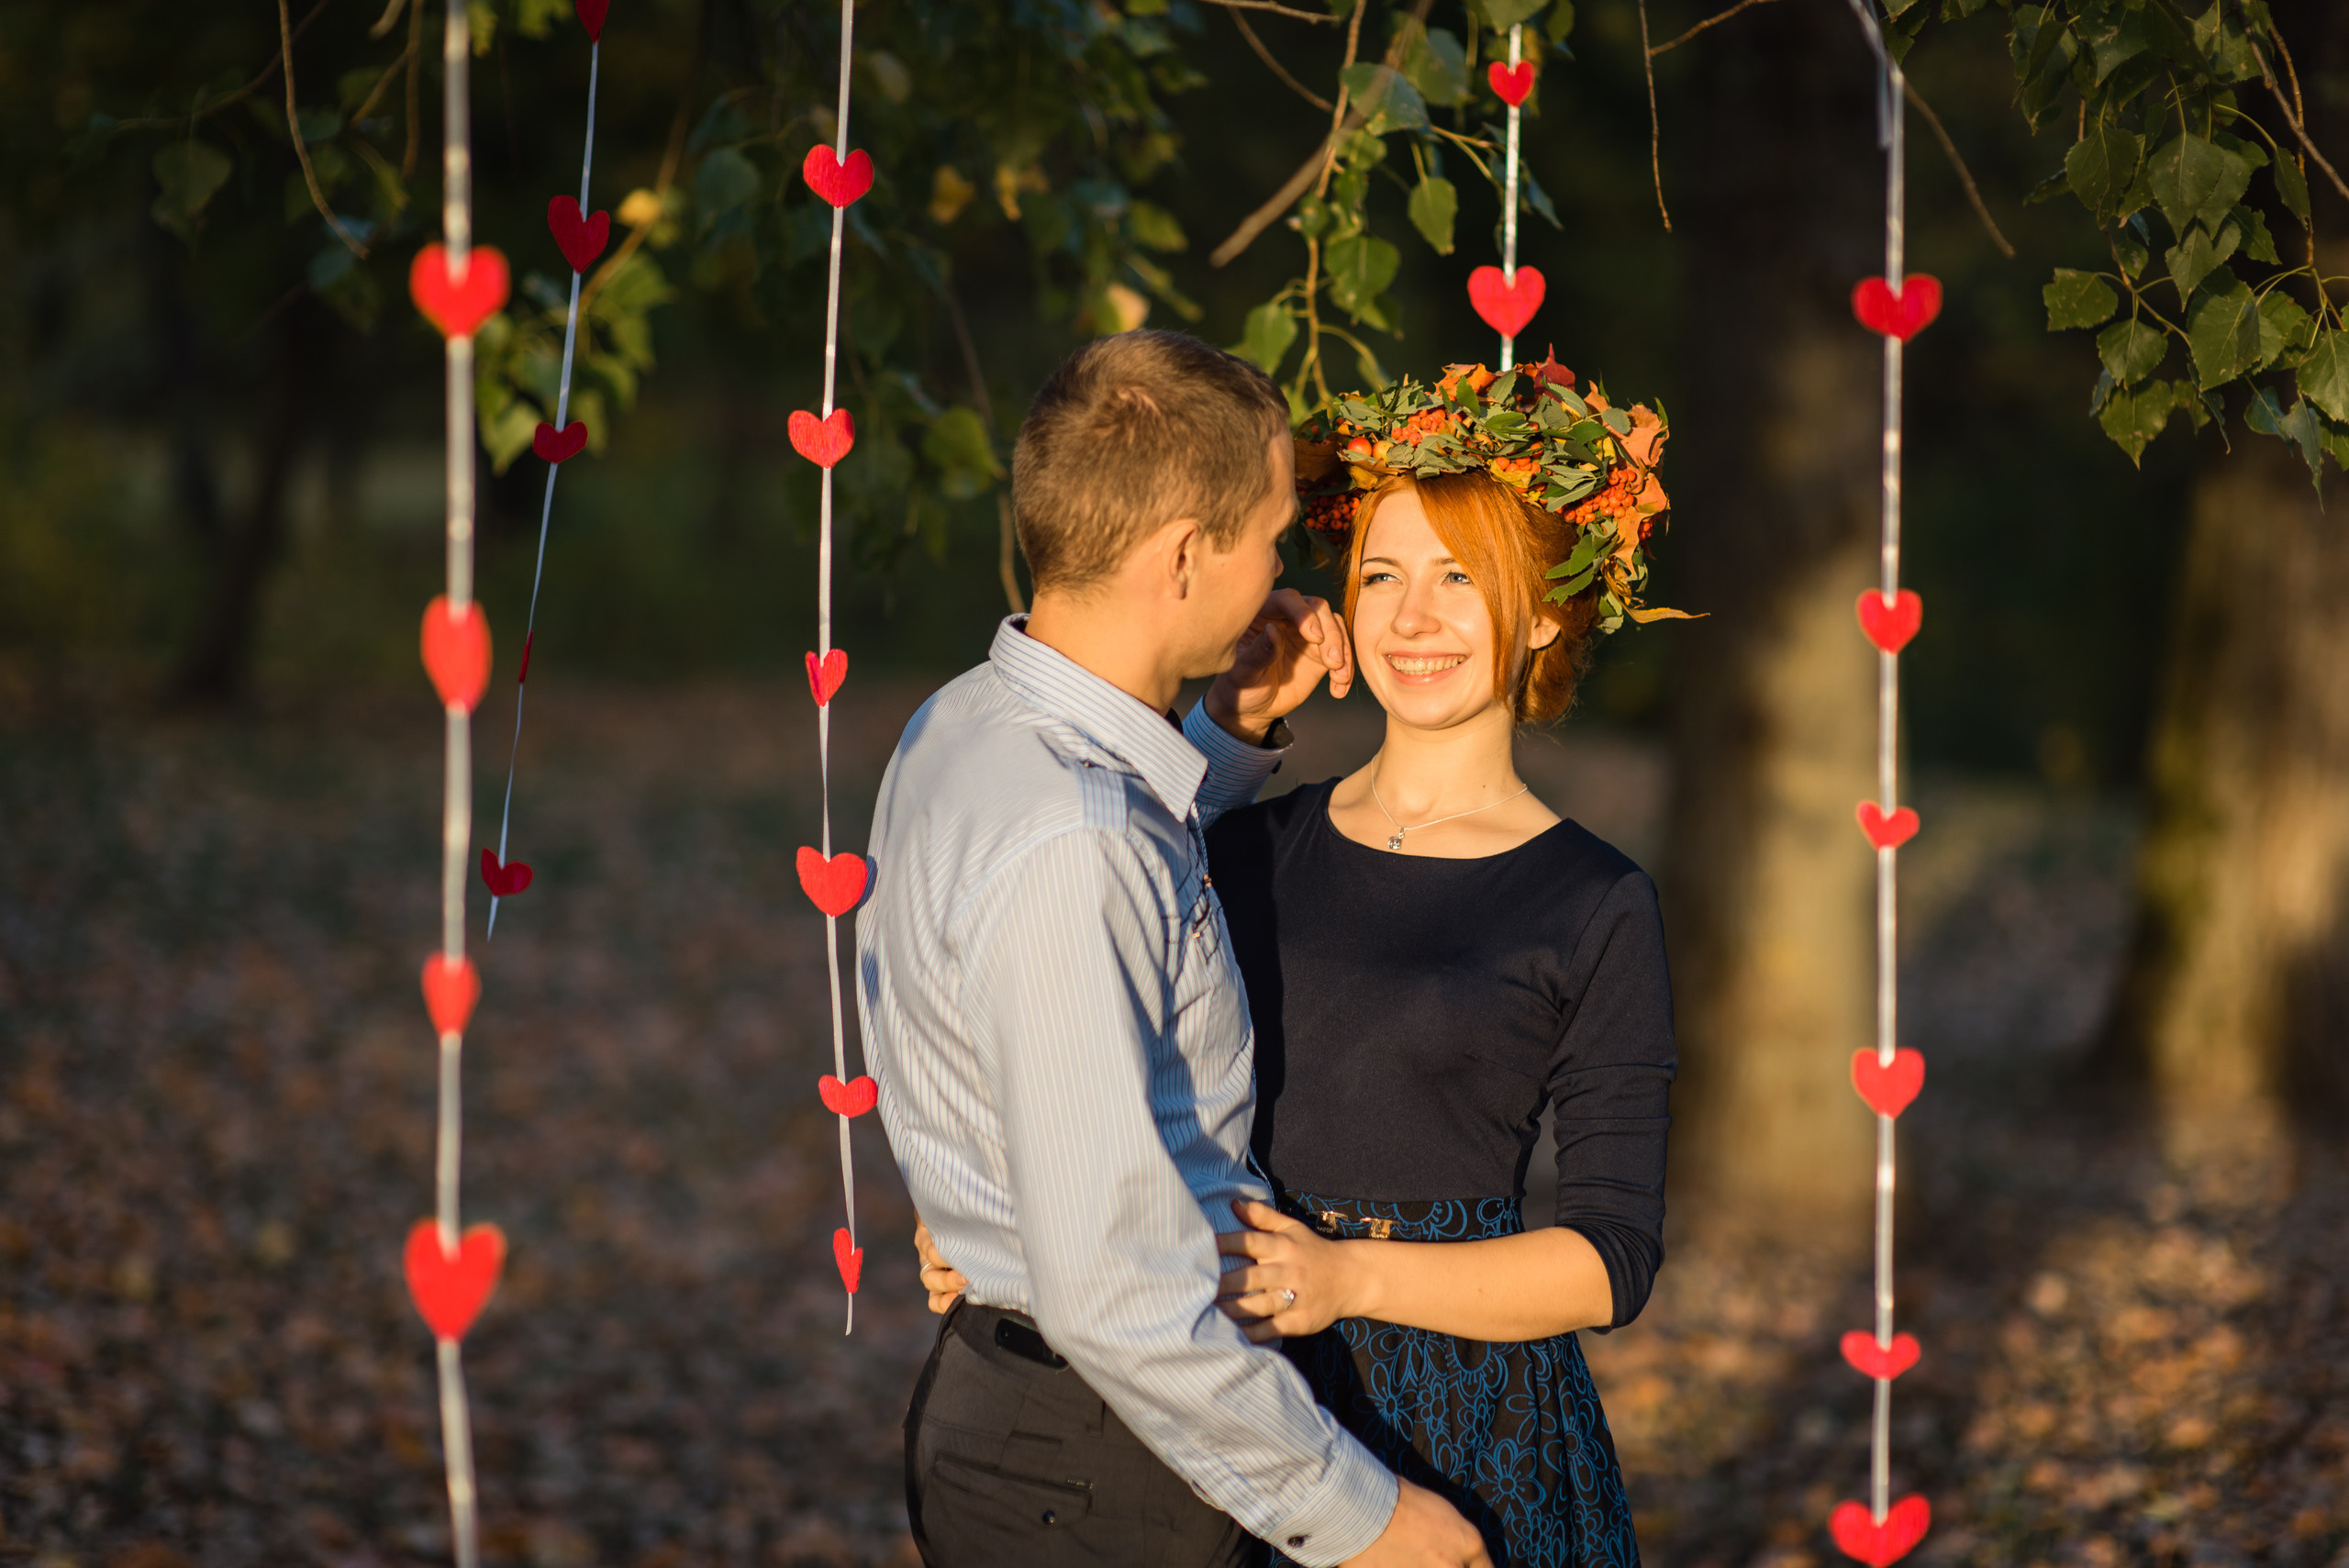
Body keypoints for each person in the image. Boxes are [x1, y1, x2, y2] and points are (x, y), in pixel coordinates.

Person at [919, 361, 1682, 1568]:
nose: (1411, 616)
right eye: (1381, 574)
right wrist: (1006, 1214)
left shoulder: (1592, 900)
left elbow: (1610, 1257)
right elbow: (1087, 1048)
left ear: (1544, 610)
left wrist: (1347, 1276)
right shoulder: (1235, 839)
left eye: (1459, 579)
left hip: (1467, 1410)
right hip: (1228, 1385)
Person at [855, 329, 1491, 1568]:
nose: (1282, 569)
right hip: (1106, 1460)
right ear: (1185, 555)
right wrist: (1360, 1515)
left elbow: (1113, 909)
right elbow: (1115, 1284)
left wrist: (1232, 733)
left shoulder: (972, 726)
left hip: (1046, 1416)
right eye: (1267, 536)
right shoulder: (1072, 834)